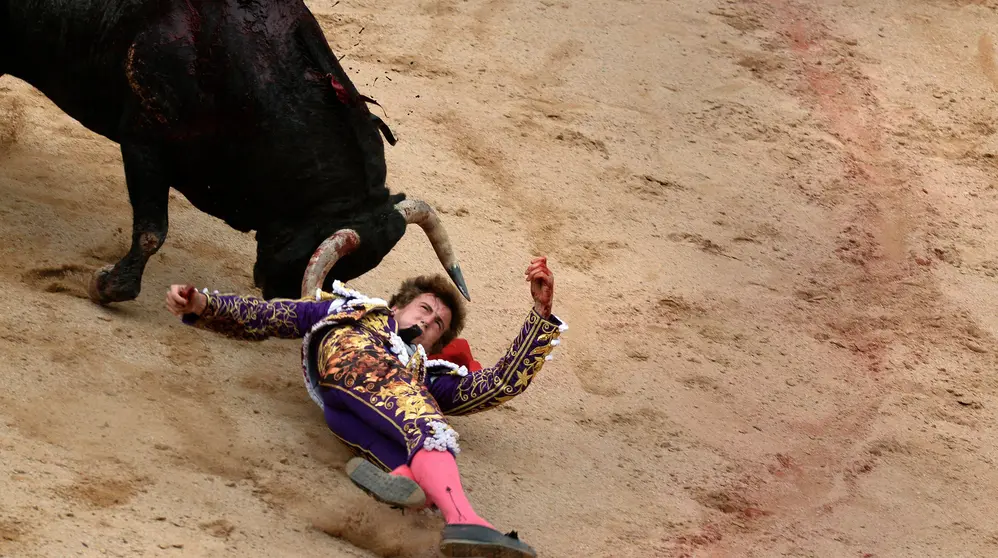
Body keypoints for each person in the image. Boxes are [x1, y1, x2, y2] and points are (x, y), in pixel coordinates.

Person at [165, 257, 566, 558]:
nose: (429, 322)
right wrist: (203, 303)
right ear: (397, 307)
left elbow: (496, 385)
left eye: (438, 325)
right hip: (357, 366)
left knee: (420, 473)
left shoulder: (424, 370)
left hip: (344, 414)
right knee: (429, 425)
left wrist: (541, 315)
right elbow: (275, 315)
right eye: (425, 309)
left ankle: (403, 479)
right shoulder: (353, 309)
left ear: (436, 343)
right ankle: (464, 519)